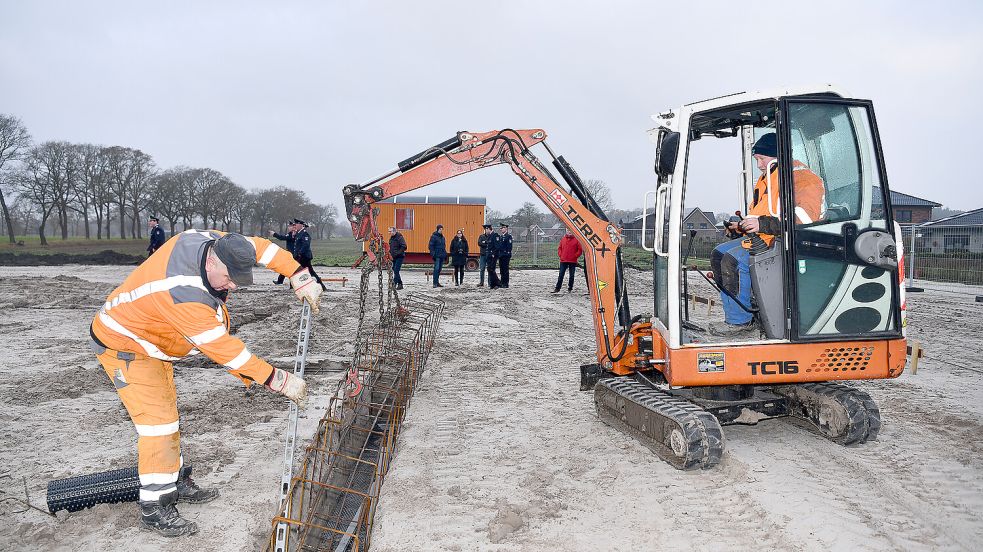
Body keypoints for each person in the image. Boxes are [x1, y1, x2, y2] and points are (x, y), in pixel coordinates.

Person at [90, 230, 322, 537]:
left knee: (168, 417)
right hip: (126, 346)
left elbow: (263, 249)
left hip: (153, 337)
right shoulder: (182, 295)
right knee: (158, 425)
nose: (234, 286)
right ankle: (154, 506)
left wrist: (297, 273)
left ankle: (176, 480)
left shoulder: (211, 240)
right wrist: (277, 380)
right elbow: (228, 353)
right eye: (229, 277)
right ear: (211, 260)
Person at [710, 133, 824, 336]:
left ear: (777, 155)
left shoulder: (802, 178)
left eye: (762, 159)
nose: (760, 165)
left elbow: (806, 218)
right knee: (719, 254)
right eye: (757, 160)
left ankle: (740, 322)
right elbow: (760, 214)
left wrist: (761, 224)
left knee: (732, 260)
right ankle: (741, 314)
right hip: (767, 236)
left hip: (791, 242)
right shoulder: (767, 179)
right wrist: (740, 226)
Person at [292, 219, 328, 291]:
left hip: (304, 257)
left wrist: (299, 254)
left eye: (296, 224)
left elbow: (306, 245)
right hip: (300, 257)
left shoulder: (304, 234)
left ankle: (320, 286)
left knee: (302, 271)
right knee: (306, 271)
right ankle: (320, 285)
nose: (295, 226)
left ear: (301, 225)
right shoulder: (299, 233)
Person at [553, 229, 583, 293]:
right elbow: (559, 248)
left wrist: (575, 256)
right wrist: (560, 255)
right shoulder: (563, 239)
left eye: (570, 230)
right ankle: (557, 288)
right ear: (566, 231)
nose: (569, 232)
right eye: (568, 230)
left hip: (572, 261)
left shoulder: (577, 240)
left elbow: (580, 250)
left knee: (571, 275)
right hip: (563, 260)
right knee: (561, 274)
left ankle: (570, 288)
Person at [388, 226, 407, 290]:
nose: (389, 232)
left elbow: (404, 246)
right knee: (394, 270)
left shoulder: (399, 237)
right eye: (389, 231)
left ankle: (394, 284)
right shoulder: (391, 238)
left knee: (396, 270)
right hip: (393, 257)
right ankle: (400, 284)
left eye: (390, 231)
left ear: (394, 231)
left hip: (399, 256)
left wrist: (398, 253)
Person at [496, 223, 513, 288]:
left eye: (502, 228)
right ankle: (502, 282)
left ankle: (506, 283)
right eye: (501, 228)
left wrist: (507, 253)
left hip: (505, 255)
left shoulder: (508, 236)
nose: (501, 229)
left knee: (505, 270)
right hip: (501, 255)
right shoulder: (500, 237)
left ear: (506, 228)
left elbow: (509, 246)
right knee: (501, 270)